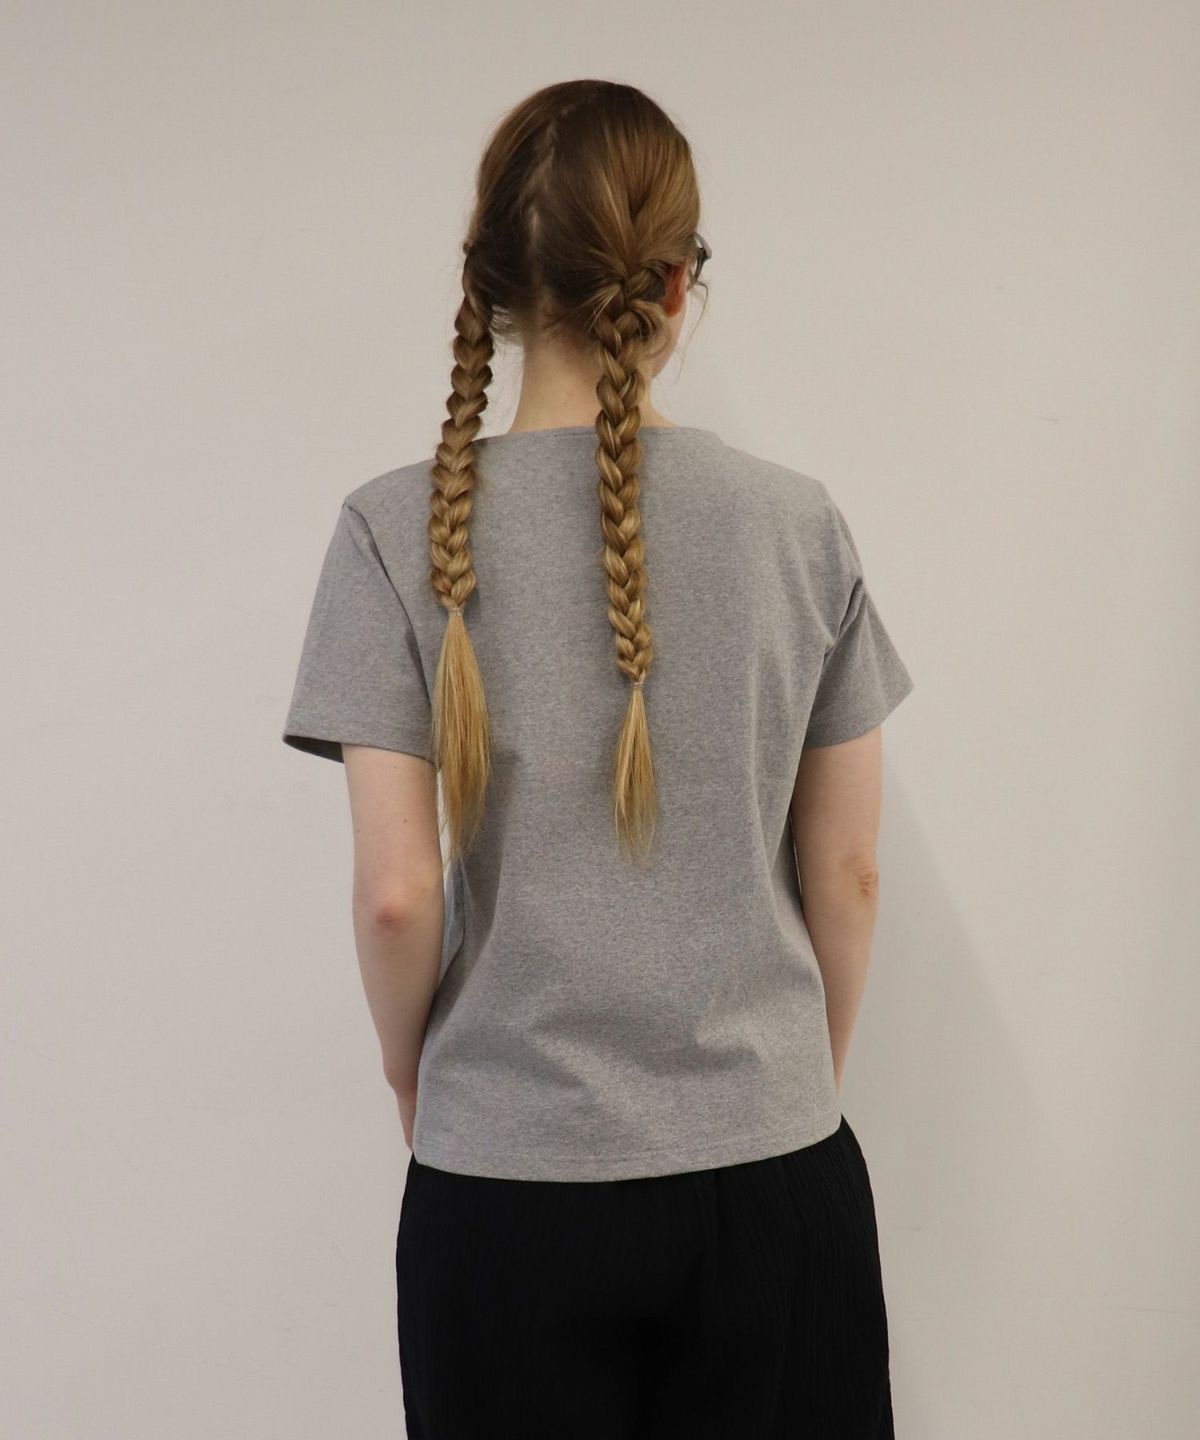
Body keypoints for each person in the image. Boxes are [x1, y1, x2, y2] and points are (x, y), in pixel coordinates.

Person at [282, 78, 914, 1440]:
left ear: (492, 288)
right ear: (677, 285)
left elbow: (396, 895)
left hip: (504, 1191)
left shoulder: (391, 532)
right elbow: (851, 873)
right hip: (771, 1180)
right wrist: (790, 1087)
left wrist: (414, 1078)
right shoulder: (799, 527)